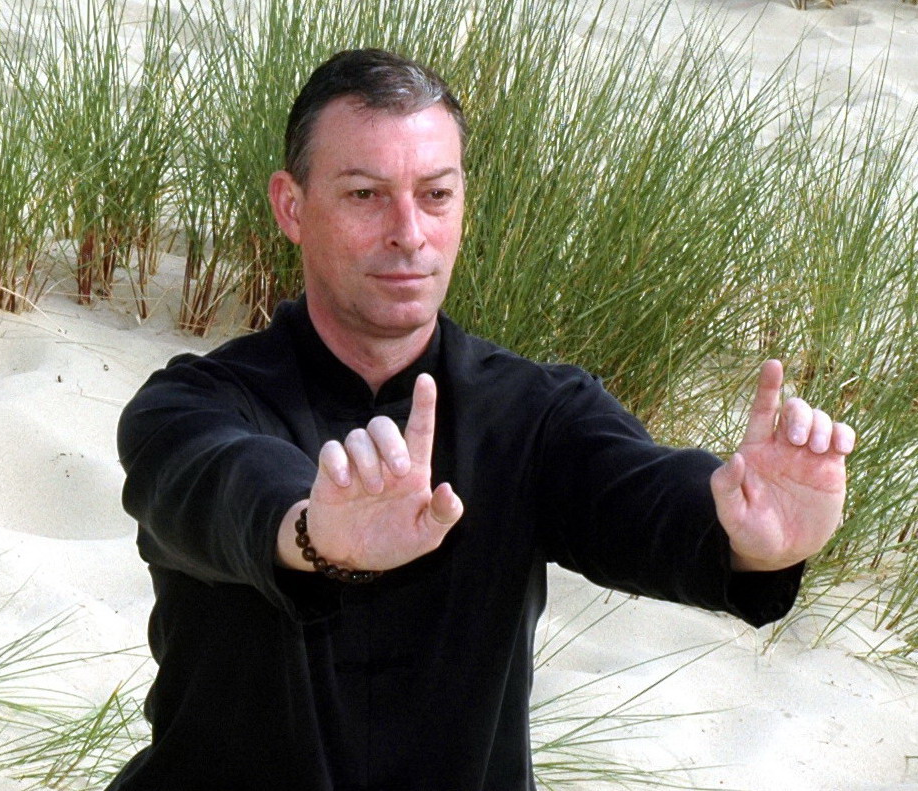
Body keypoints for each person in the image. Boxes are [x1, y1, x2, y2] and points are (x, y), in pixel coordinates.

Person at [108, 49, 855, 791]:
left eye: (435, 194)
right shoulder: (190, 405)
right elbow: (222, 483)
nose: (409, 232)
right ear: (291, 206)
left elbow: (638, 492)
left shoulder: (532, 411)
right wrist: (313, 533)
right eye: (366, 194)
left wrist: (748, 536)